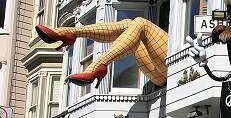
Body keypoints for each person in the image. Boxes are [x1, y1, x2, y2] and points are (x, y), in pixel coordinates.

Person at [35, 18, 168, 88]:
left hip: (177, 66)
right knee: (130, 25)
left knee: (140, 23)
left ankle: (68, 34)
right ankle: (70, 33)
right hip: (162, 72)